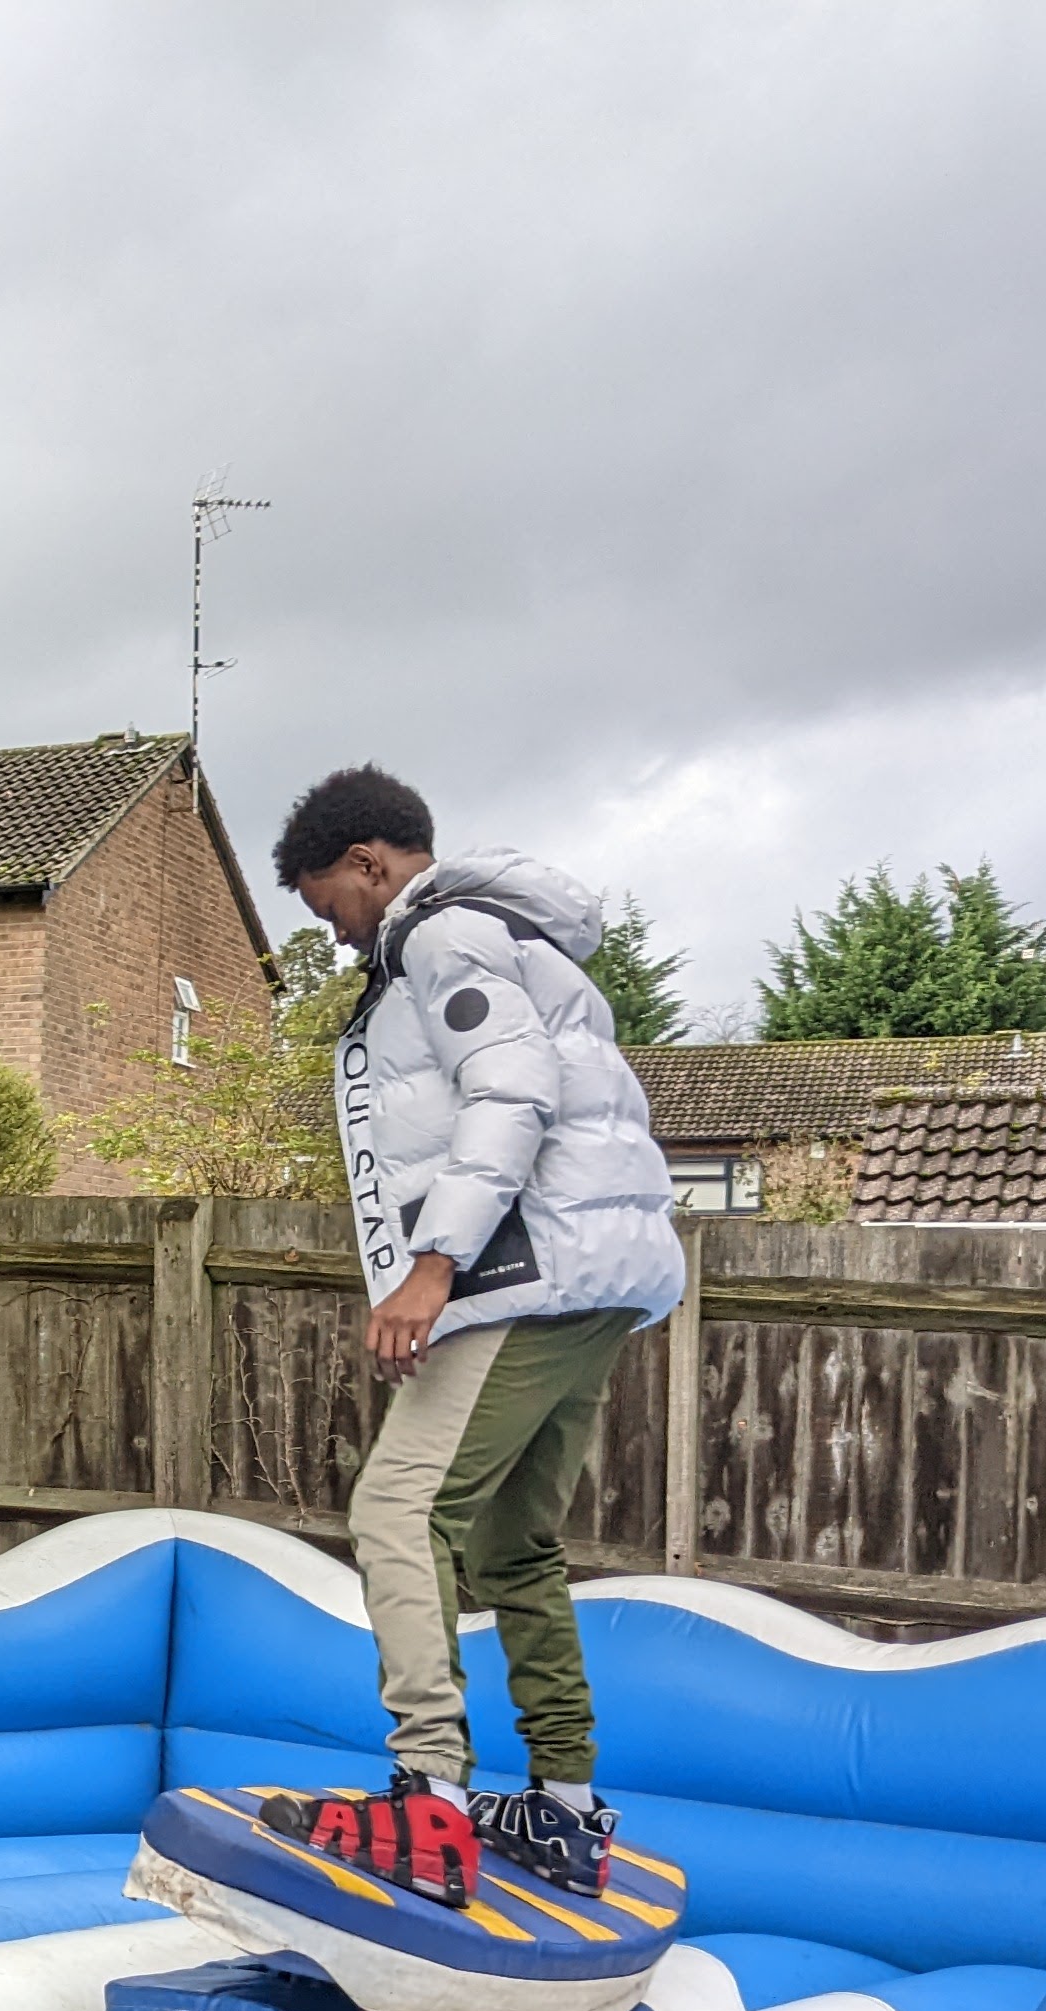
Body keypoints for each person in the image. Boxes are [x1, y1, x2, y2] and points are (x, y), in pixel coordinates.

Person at [261, 763, 687, 1901]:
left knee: (397, 1510)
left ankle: (428, 1801)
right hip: (597, 1274)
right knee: (513, 1546)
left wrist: (431, 1266)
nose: (340, 936)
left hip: (524, 1274)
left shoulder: (444, 936)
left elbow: (511, 1090)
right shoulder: (513, 939)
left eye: (329, 906)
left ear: (370, 864)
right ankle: (563, 1807)